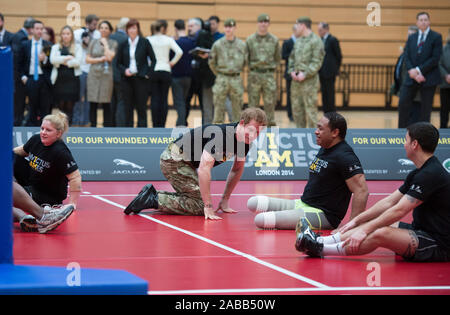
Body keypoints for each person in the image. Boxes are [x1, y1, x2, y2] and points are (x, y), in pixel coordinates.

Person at [297, 122, 450, 262]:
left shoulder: (430, 174)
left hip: (438, 243)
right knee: (370, 221)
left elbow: (399, 210)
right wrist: (357, 220)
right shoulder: (418, 172)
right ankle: (319, 240)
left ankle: (320, 249)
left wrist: (365, 230)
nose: (404, 145)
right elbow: (389, 201)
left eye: (406, 140)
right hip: (420, 229)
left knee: (380, 232)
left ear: (414, 144)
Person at [124, 108, 267, 220]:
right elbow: (204, 170)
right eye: (252, 130)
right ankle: (153, 199)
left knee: (197, 198)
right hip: (174, 159)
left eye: (258, 133)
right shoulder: (222, 136)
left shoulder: (245, 142)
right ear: (242, 123)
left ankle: (153, 195)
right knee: (200, 205)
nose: (254, 136)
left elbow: (237, 170)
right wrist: (208, 206)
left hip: (187, 163)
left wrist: (225, 199)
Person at [248, 112, 368, 230]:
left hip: (323, 215)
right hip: (304, 203)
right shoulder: (326, 147)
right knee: (253, 202)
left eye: (320, 129)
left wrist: (352, 226)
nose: (316, 131)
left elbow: (362, 191)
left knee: (261, 220)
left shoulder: (345, 156)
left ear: (335, 132)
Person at [13, 111, 82, 208]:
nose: (43, 133)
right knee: (12, 157)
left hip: (48, 195)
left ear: (58, 134)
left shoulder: (61, 152)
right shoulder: (36, 139)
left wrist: (72, 204)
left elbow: (75, 177)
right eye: (42, 129)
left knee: (10, 194)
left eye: (48, 130)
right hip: (32, 183)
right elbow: (20, 151)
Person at [398, 12, 443, 128]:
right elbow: (406, 56)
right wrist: (413, 72)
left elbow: (435, 58)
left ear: (429, 22)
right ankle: (400, 133)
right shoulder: (412, 37)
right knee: (403, 103)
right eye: (421, 20)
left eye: (425, 19)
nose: (423, 22)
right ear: (417, 22)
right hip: (411, 77)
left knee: (425, 110)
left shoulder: (436, 37)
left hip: (428, 77)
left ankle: (424, 136)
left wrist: (418, 70)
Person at [116, 18, 156, 127]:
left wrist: (148, 73)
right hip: (127, 80)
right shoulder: (123, 43)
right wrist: (124, 70)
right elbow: (117, 63)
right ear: (127, 30)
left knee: (141, 108)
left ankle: (142, 133)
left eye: (134, 28)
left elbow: (154, 60)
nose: (132, 30)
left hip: (141, 79)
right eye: (129, 28)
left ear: (138, 29)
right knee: (128, 108)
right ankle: (129, 133)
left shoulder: (144, 42)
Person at [288, 17, 325, 128]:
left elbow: (317, 61)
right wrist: (292, 71)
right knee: (297, 112)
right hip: (296, 82)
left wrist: (306, 74)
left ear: (303, 25)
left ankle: (313, 140)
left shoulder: (316, 40)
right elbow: (292, 58)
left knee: (311, 112)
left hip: (309, 82)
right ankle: (300, 139)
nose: (296, 27)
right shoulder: (298, 41)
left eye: (297, 25)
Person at [209, 18, 247, 124]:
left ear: (235, 28)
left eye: (230, 27)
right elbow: (212, 62)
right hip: (222, 77)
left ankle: (237, 136)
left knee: (237, 109)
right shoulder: (217, 44)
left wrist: (236, 71)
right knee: (218, 109)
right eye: (226, 27)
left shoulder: (242, 45)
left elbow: (245, 61)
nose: (228, 29)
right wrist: (220, 73)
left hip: (236, 78)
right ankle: (217, 136)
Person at [246, 14, 281, 127]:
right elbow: (246, 58)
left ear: (268, 24)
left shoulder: (274, 40)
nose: (263, 24)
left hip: (268, 75)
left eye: (265, 22)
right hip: (254, 75)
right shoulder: (250, 40)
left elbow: (277, 58)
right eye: (261, 22)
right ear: (257, 23)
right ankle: (251, 128)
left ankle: (270, 130)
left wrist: (270, 68)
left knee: (270, 104)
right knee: (253, 105)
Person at [147, 20, 183, 128]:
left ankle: (155, 124)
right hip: (166, 70)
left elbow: (143, 54)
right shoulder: (168, 39)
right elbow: (179, 52)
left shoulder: (148, 39)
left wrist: (149, 63)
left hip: (153, 70)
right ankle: (162, 125)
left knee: (154, 98)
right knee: (164, 99)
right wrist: (172, 62)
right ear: (163, 28)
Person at [18, 20, 53, 126]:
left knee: (45, 106)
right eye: (37, 28)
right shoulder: (25, 45)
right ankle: (32, 130)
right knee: (32, 106)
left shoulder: (48, 45)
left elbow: (52, 64)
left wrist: (45, 59)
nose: (39, 31)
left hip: (44, 79)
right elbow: (20, 63)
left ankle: (46, 129)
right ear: (32, 30)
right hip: (31, 79)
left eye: (41, 29)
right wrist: (24, 77)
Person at [86, 20, 117, 127]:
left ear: (110, 30)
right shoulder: (93, 42)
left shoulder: (113, 43)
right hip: (93, 74)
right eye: (101, 27)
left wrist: (105, 44)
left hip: (106, 75)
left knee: (106, 102)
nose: (103, 30)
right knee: (93, 102)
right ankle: (93, 127)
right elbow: (88, 59)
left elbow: (109, 57)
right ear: (99, 30)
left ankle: (106, 128)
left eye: (106, 28)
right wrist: (99, 59)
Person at [50, 25, 83, 125]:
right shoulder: (55, 47)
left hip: (72, 81)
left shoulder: (77, 47)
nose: (65, 36)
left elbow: (78, 62)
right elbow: (52, 60)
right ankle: (61, 127)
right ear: (61, 35)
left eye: (68, 34)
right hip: (59, 80)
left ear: (71, 35)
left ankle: (69, 126)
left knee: (70, 106)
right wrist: (67, 58)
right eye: (63, 34)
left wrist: (62, 60)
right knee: (61, 106)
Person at [73, 14, 101, 127]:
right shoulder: (77, 33)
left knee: (89, 98)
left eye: (96, 24)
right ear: (87, 23)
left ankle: (86, 121)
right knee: (78, 97)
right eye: (93, 24)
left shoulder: (98, 34)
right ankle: (76, 121)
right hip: (81, 68)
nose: (95, 26)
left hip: (93, 70)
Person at [392, 26, 421, 126]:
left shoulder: (419, 51)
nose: (410, 38)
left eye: (412, 35)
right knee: (403, 118)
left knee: (413, 120)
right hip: (404, 89)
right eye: (408, 35)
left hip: (413, 92)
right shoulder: (406, 50)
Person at [171, 19, 196, 127]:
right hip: (188, 77)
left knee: (179, 102)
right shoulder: (191, 42)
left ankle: (180, 125)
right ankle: (182, 123)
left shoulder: (175, 43)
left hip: (176, 77)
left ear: (176, 29)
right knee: (184, 101)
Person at [11, 17, 34, 126]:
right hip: (19, 77)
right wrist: (22, 75)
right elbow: (19, 60)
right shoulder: (22, 39)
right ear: (31, 28)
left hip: (15, 76)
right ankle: (17, 126)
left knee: (18, 105)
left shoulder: (16, 35)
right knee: (19, 105)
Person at [318, 22, 342, 113]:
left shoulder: (333, 40)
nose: (319, 32)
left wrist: (336, 69)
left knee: (330, 92)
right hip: (321, 71)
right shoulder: (320, 40)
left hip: (330, 72)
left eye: (320, 30)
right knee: (324, 92)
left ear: (326, 29)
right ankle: (325, 111)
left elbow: (338, 56)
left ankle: (332, 111)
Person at [109, 17, 129, 127]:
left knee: (112, 101)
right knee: (122, 101)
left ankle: (111, 125)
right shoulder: (126, 39)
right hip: (121, 75)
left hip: (109, 74)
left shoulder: (110, 37)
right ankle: (120, 126)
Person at [281, 25, 300, 122]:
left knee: (299, 95)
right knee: (290, 95)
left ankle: (298, 114)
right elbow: (283, 55)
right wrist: (293, 55)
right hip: (290, 73)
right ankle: (290, 114)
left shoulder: (302, 42)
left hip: (300, 73)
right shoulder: (287, 42)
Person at [439, 29, 450, 128]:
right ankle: (443, 128)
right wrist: (446, 75)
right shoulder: (443, 48)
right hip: (445, 83)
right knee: (444, 107)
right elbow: (439, 64)